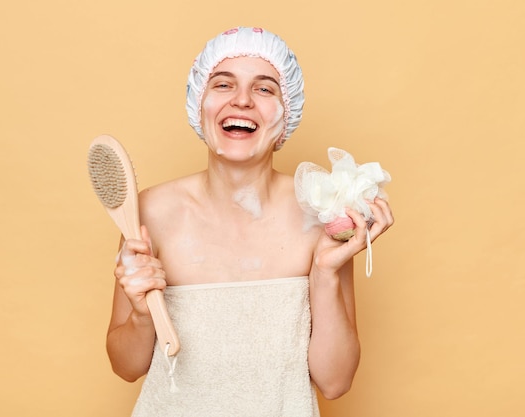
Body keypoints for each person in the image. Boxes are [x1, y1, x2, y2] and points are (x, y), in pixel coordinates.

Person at [106, 27, 394, 416]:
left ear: (286, 113)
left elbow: (335, 382)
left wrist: (324, 272)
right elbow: (126, 367)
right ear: (199, 103)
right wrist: (142, 314)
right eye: (223, 85)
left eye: (264, 89)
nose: (242, 100)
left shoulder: (321, 212)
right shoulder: (151, 212)